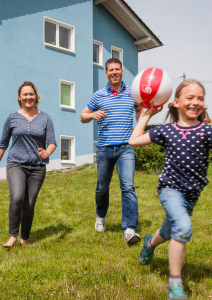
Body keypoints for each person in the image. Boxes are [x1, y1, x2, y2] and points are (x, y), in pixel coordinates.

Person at [128, 79, 212, 300]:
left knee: (171, 229)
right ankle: (174, 283)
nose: (195, 102)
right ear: (176, 102)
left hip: (192, 194)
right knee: (184, 227)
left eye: (200, 98)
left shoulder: (207, 131)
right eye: (190, 97)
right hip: (169, 188)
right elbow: (134, 140)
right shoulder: (167, 130)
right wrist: (147, 114)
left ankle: (150, 243)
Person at [80, 58, 143, 245]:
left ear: (122, 72)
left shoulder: (132, 93)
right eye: (110, 70)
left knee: (128, 187)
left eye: (117, 69)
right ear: (106, 73)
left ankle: (130, 229)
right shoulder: (98, 95)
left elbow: (140, 112)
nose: (114, 72)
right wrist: (92, 115)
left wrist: (142, 123)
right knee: (102, 187)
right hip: (104, 148)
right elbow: (83, 116)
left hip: (126, 148)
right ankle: (100, 215)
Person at [0, 81, 56, 248]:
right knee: (17, 197)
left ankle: (24, 238)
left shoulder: (45, 118)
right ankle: (12, 236)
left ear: (36, 96)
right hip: (16, 164)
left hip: (37, 167)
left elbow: (52, 142)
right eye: (25, 94)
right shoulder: (12, 118)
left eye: (31, 94)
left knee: (29, 203)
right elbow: (2, 143)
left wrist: (47, 152)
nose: (28, 97)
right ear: (19, 97)